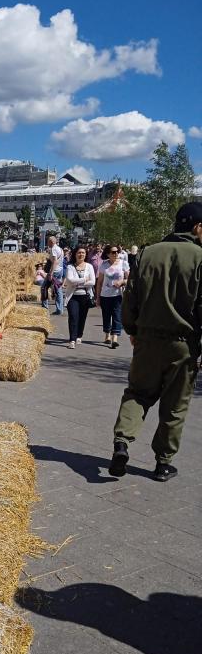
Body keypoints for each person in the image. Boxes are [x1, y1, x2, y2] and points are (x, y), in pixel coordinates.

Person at [109, 202, 202, 482]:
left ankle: (122, 443)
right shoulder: (199, 257)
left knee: (138, 393)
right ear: (197, 227)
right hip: (184, 343)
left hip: (147, 339)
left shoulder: (148, 253)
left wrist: (132, 329)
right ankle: (163, 463)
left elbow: (131, 297)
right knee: (175, 405)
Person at [96, 244, 129, 348]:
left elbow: (130, 279)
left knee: (117, 316)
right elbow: (100, 282)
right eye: (113, 252)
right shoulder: (104, 265)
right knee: (106, 315)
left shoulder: (123, 264)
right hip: (105, 295)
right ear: (108, 254)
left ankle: (115, 337)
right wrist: (98, 297)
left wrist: (122, 281)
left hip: (118, 295)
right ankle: (107, 334)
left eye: (117, 252)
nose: (116, 254)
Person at [64, 246, 96, 348]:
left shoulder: (89, 266)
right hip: (73, 296)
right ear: (75, 254)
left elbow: (93, 282)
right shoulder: (70, 267)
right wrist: (84, 280)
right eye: (79, 252)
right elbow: (70, 280)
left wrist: (77, 282)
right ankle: (72, 340)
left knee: (82, 317)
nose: (81, 254)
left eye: (83, 253)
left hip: (85, 296)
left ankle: (79, 335)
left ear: (86, 255)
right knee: (73, 317)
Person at [42, 235, 64, 314]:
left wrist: (50, 273)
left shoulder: (54, 249)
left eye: (48, 241)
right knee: (58, 289)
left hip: (54, 271)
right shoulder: (60, 249)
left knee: (44, 287)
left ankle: (44, 307)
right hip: (60, 270)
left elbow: (54, 261)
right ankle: (60, 309)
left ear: (51, 242)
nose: (47, 243)